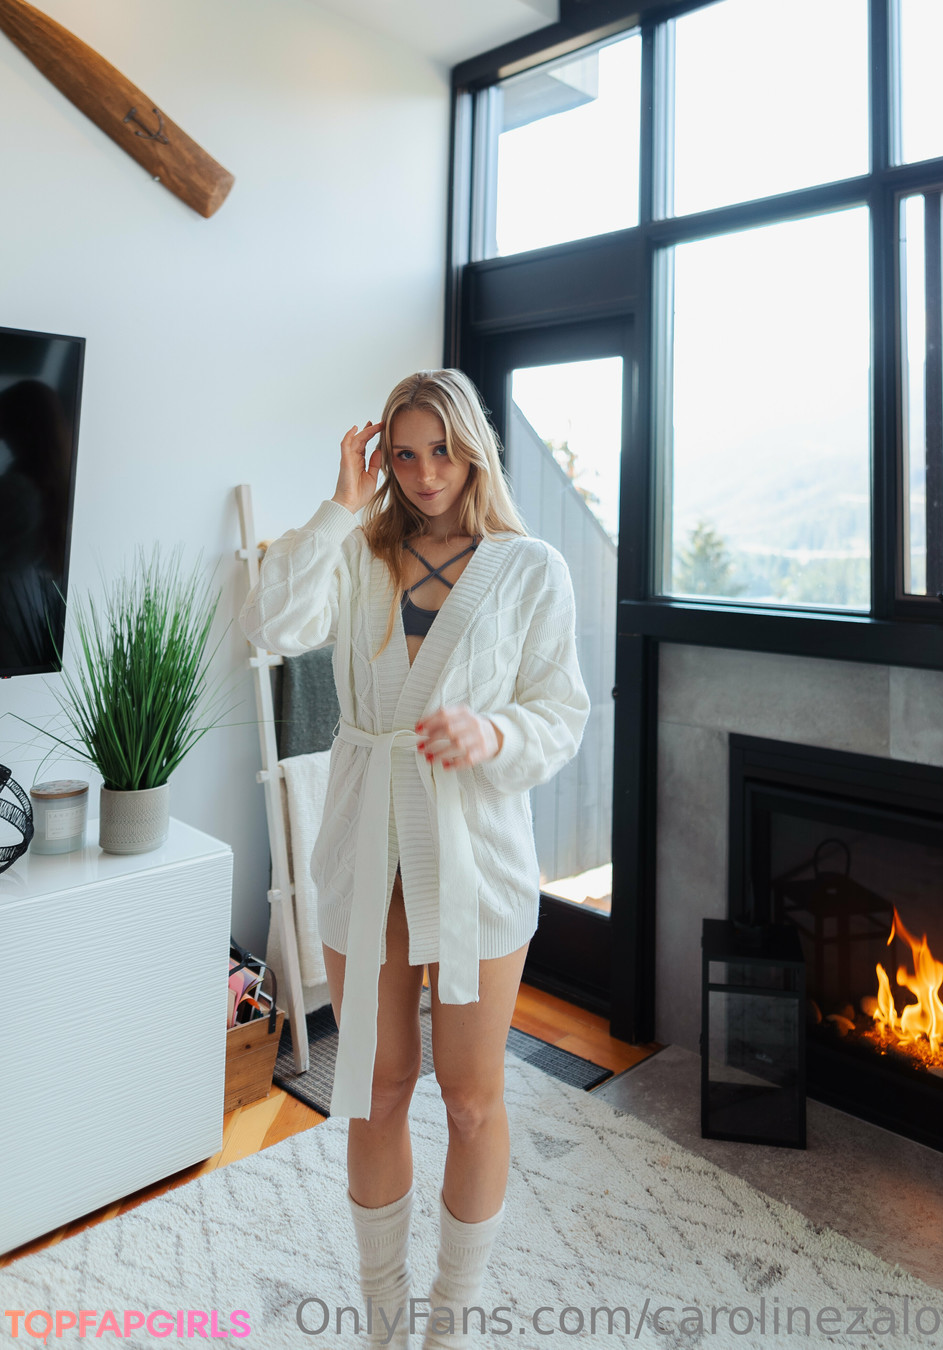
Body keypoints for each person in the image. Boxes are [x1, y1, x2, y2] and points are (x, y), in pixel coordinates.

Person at [239, 369, 590, 1348]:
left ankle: (450, 1326)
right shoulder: (357, 553)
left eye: (442, 450)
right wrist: (338, 507)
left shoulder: (530, 569)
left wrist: (494, 733)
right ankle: (386, 1322)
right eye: (404, 454)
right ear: (383, 461)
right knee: (375, 1085)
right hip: (364, 845)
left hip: (475, 851)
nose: (426, 473)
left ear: (473, 448)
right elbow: (269, 624)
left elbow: (561, 713)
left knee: (472, 1101)